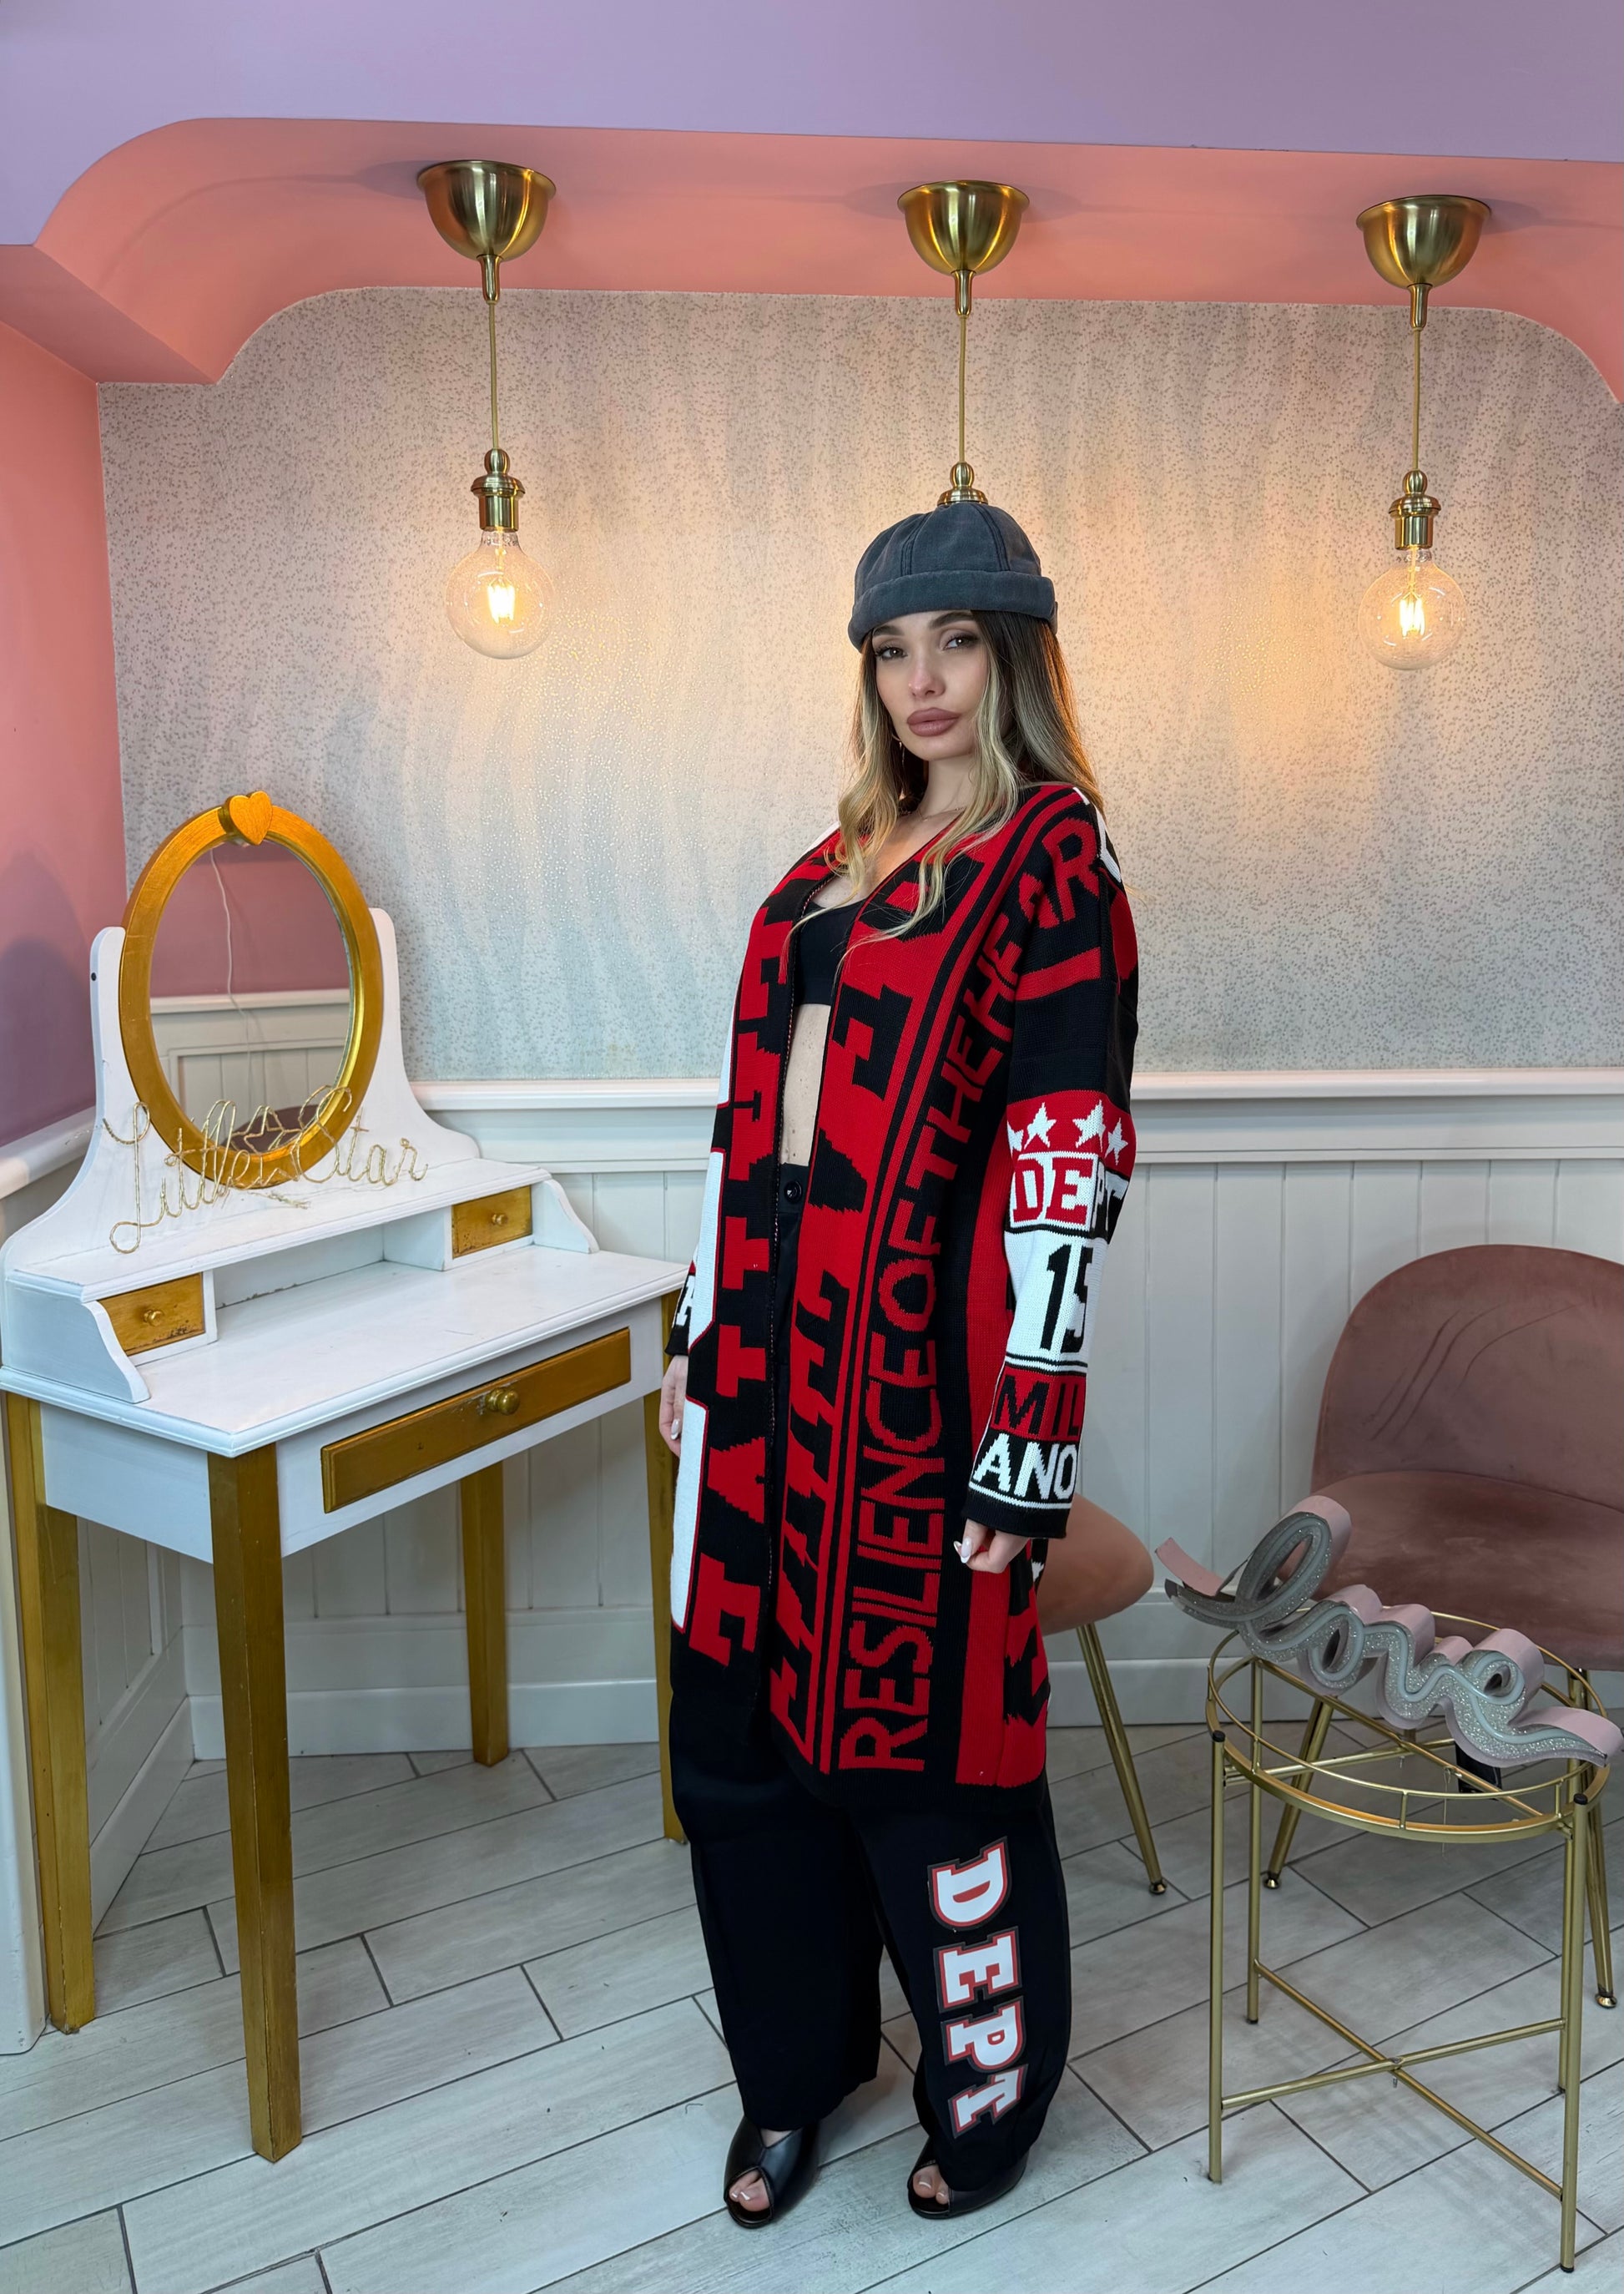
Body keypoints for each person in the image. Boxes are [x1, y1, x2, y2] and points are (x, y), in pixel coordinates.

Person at [657, 498, 1142, 2228]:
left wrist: (1029, 1448)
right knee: (741, 1769)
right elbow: (745, 1138)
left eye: (957, 643)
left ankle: (984, 2102)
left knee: (937, 1783)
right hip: (757, 1406)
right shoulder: (822, 868)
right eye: (891, 649)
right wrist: (700, 1334)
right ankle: (795, 2078)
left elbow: (1066, 1169)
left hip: (923, 1418)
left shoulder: (1053, 864)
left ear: (1014, 659)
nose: (922, 681)